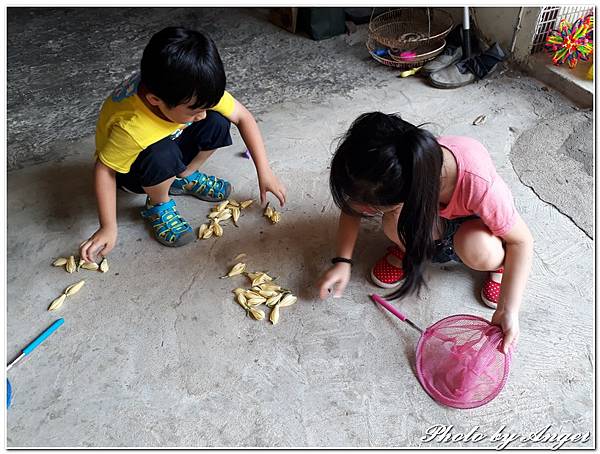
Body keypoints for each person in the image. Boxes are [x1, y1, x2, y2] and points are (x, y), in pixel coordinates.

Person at [317, 112, 533, 352]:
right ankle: (408, 249)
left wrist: (507, 309)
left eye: (372, 208)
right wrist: (342, 260)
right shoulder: (398, 167)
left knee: (480, 249)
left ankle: (499, 266)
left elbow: (522, 241)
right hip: (431, 217)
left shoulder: (479, 184)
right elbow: (352, 208)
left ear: (405, 195)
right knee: (394, 223)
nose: (363, 210)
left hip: (475, 226)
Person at [80, 27, 286, 260]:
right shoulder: (133, 127)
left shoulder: (190, 88)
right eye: (195, 111)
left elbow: (242, 117)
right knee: (162, 154)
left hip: (168, 140)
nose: (202, 115)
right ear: (155, 101)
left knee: (218, 121)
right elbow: (105, 170)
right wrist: (108, 226)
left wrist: (264, 171)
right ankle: (158, 203)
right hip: (133, 170)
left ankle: (185, 176)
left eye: (204, 107)